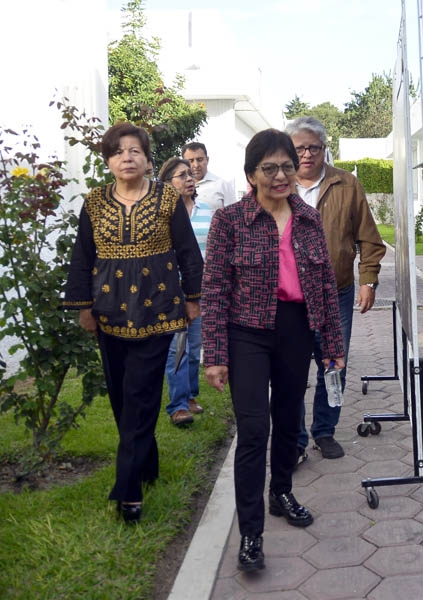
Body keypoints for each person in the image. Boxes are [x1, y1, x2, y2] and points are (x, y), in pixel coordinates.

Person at [202, 129, 344, 571]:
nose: (281, 175)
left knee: (288, 419)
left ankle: (281, 491)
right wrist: (216, 354)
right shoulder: (230, 222)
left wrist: (332, 346)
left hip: (294, 328)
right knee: (253, 428)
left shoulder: (307, 217)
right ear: (251, 175)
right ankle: (250, 534)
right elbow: (214, 290)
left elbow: (322, 283)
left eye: (287, 166)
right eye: (270, 168)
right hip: (246, 332)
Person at [62, 122, 203, 523]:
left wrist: (193, 298)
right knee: (123, 399)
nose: (127, 157)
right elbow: (82, 257)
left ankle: (128, 491)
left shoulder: (166, 199)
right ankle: (148, 464)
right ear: (108, 160)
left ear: (146, 158)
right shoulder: (93, 203)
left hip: (157, 310)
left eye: (135, 150)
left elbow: (187, 250)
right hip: (109, 314)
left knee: (140, 396)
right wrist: (84, 307)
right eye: (118, 151)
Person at [285, 116, 385, 462]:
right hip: (289, 297)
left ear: (325, 149)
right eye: (300, 148)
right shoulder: (276, 185)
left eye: (315, 147)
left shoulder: (346, 184)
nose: (308, 155)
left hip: (336, 293)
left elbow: (369, 238)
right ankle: (295, 440)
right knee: (291, 368)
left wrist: (368, 280)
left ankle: (324, 432)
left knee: (333, 365)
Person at [158, 157, 212, 425]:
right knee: (176, 347)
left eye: (191, 174)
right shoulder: (160, 214)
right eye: (182, 175)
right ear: (168, 182)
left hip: (199, 290)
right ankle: (178, 405)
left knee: (193, 346)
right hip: (169, 290)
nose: (190, 178)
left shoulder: (207, 212)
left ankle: (190, 395)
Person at [182, 142, 237, 211]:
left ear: (207, 160)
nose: (196, 165)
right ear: (183, 163)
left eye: (200, 160)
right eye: (191, 161)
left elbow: (235, 216)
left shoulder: (222, 185)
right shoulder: (178, 188)